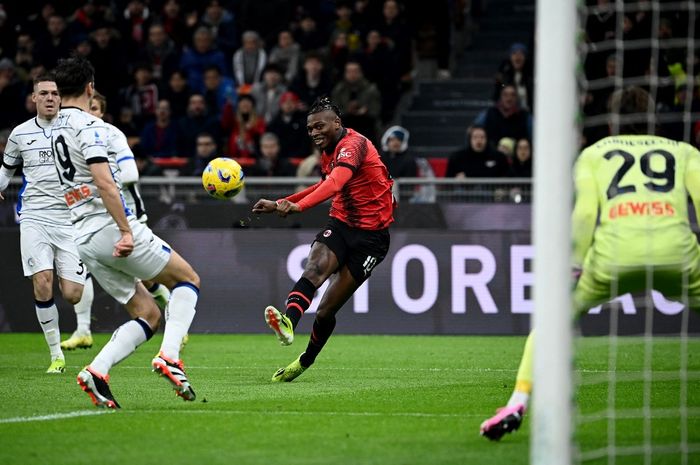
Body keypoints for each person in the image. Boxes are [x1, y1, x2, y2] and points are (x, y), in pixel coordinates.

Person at [480, 86, 700, 440]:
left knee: (551, 322)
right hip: (678, 253)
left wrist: (573, 266)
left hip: (613, 257)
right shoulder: (685, 152)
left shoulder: (594, 154)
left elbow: (584, 215)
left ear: (612, 122)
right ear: (653, 119)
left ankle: (517, 402)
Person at [51, 56, 200, 409]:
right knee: (187, 279)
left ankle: (97, 372)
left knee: (147, 313)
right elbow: (105, 181)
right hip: (110, 227)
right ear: (89, 89)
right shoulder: (89, 127)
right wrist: (126, 230)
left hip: (83, 237)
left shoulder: (53, 128)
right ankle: (170, 357)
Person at [252, 97, 394, 382]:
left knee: (327, 309)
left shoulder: (353, 146)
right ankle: (288, 322)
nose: (314, 132)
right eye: (309, 128)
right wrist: (282, 201)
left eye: (320, 126)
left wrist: (298, 206)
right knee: (314, 268)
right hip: (341, 223)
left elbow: (335, 183)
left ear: (337, 123)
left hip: (372, 238)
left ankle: (304, 361)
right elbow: (323, 184)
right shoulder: (329, 151)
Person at [61, 91, 172, 351]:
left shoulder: (110, 134)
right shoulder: (74, 138)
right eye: (87, 108)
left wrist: (103, 184)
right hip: (87, 218)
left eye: (95, 108)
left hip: (126, 213)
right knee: (82, 269)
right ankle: (83, 330)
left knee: (147, 278)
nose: (89, 113)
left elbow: (130, 175)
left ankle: (172, 314)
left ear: (102, 112)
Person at [0, 74, 92, 373]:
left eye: (55, 93)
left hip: (70, 219)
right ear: (34, 98)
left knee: (72, 293)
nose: (51, 98)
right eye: (44, 93)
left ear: (61, 98)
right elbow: (7, 170)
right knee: (42, 282)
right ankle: (56, 355)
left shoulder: (74, 127)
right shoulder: (20, 134)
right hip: (35, 217)